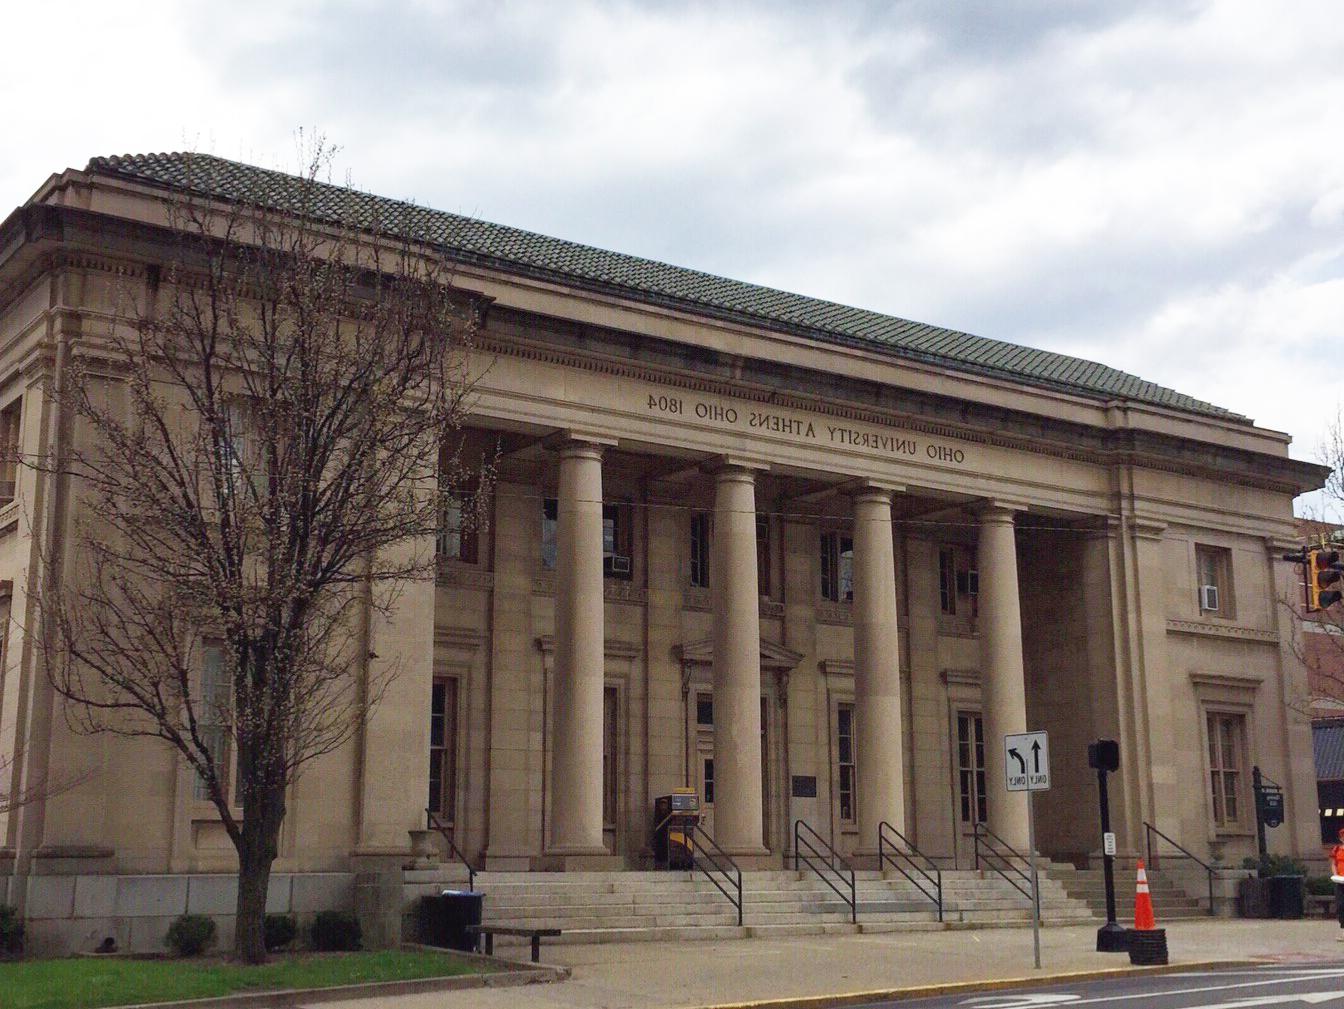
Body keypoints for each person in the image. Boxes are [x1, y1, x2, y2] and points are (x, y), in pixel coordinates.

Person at [1332, 827, 1344, 938]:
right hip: (1340, 881)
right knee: (1341, 905)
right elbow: (1333, 863)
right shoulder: (1336, 849)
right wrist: (1335, 875)